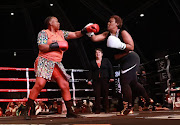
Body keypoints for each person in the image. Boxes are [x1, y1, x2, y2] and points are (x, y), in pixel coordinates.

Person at [25, 16, 99, 119]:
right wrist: (57, 45)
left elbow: (75, 34)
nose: (59, 23)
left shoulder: (61, 33)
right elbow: (41, 46)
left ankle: (70, 111)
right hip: (44, 60)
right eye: (57, 21)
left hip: (57, 63)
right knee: (40, 84)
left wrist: (85, 30)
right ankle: (28, 109)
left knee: (64, 85)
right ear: (51, 23)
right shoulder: (44, 33)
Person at [87, 15, 150, 115]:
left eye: (110, 21)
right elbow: (94, 38)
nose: (108, 23)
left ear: (117, 24)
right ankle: (148, 101)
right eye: (108, 21)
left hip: (131, 58)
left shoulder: (122, 32)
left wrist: (120, 45)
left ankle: (128, 107)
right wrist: (89, 31)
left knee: (124, 82)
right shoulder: (107, 34)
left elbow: (131, 46)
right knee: (133, 83)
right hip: (123, 61)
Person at [88, 48, 114, 114]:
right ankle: (97, 109)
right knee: (97, 95)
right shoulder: (92, 62)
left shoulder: (106, 61)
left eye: (99, 52)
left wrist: (111, 77)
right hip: (96, 80)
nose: (98, 54)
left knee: (105, 94)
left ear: (102, 54)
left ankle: (106, 109)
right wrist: (89, 80)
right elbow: (90, 71)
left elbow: (110, 69)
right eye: (96, 53)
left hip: (105, 79)